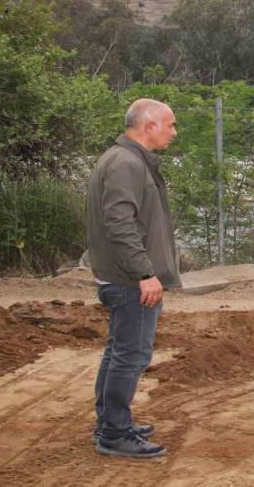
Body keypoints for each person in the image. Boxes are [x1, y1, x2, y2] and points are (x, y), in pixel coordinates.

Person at [87, 98, 180, 458]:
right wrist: (145, 272)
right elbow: (120, 224)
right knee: (131, 355)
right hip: (129, 280)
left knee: (118, 352)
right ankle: (114, 433)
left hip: (123, 275)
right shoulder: (126, 163)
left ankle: (109, 422)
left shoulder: (125, 159)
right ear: (149, 126)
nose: (174, 132)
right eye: (170, 125)